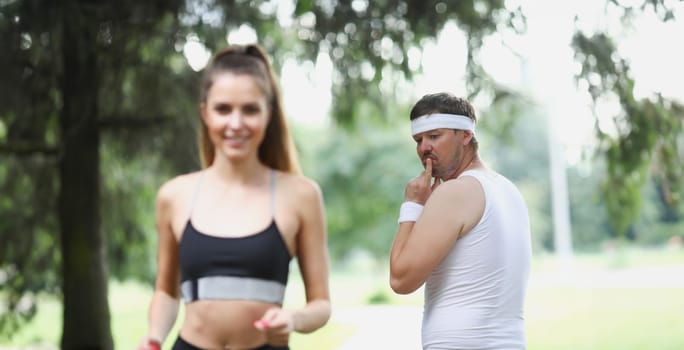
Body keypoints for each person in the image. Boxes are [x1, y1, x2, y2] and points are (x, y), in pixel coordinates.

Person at [137, 44, 331, 350]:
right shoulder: (174, 195)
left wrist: (292, 319)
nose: (236, 124)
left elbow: (320, 304)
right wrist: (153, 338)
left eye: (250, 109)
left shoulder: (302, 195)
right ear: (205, 113)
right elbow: (166, 292)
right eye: (223, 109)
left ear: (269, 114)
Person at [389, 92, 532, 349]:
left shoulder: (455, 191)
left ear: (466, 135)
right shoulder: (508, 189)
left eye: (435, 136)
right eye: (418, 139)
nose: (424, 148)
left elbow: (401, 279)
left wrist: (412, 205)